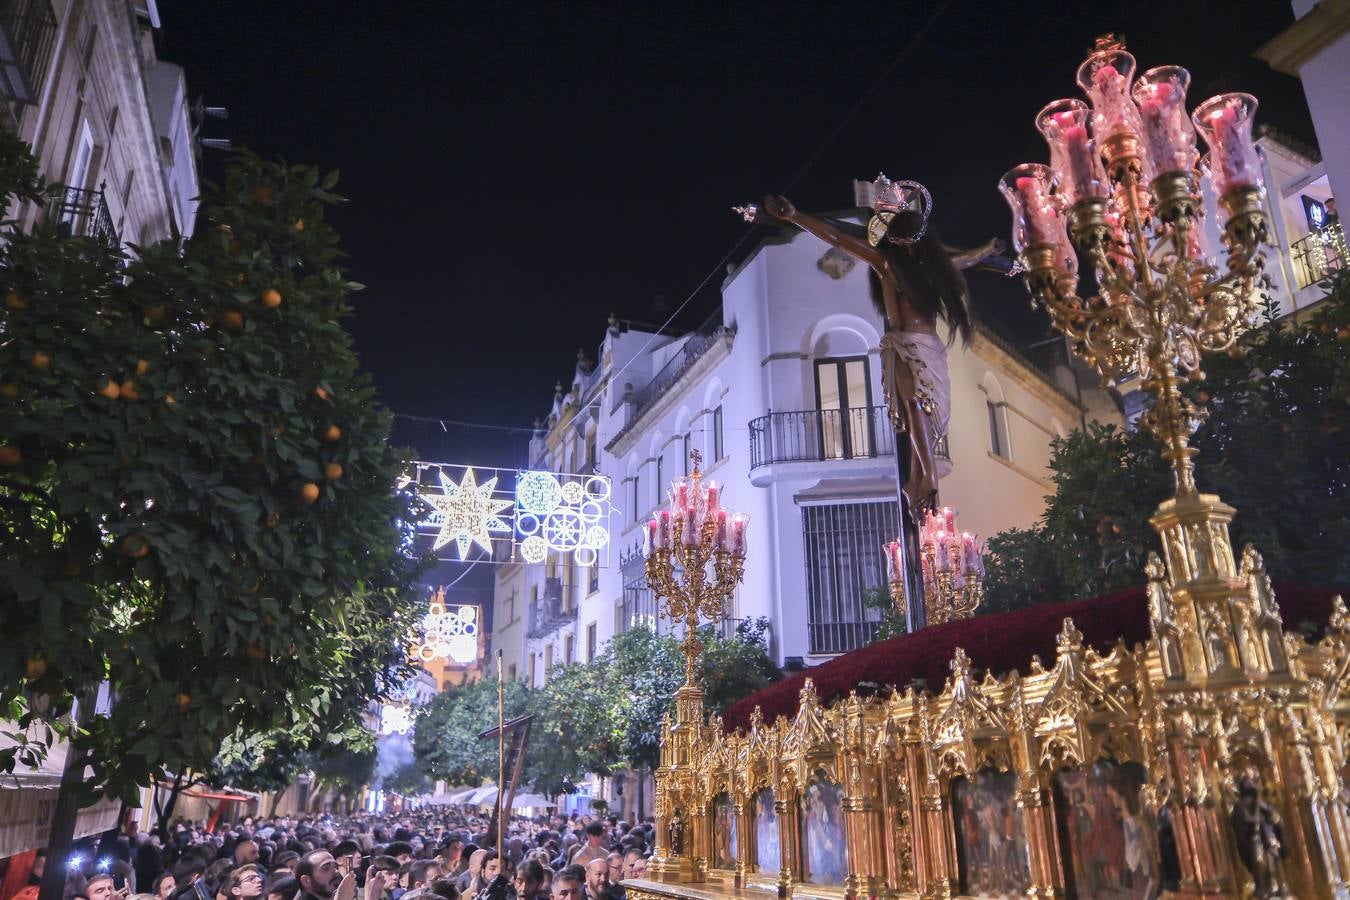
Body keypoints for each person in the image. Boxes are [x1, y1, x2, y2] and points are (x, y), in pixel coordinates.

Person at [754, 178, 998, 511]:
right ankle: (926, 477)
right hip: (899, 346)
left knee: (922, 411)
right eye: (900, 240)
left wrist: (987, 250)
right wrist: (796, 216)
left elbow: (967, 259)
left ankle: (917, 480)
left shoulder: (933, 269)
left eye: (910, 241)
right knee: (912, 405)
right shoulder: (885, 265)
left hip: (928, 348)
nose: (905, 247)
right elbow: (836, 237)